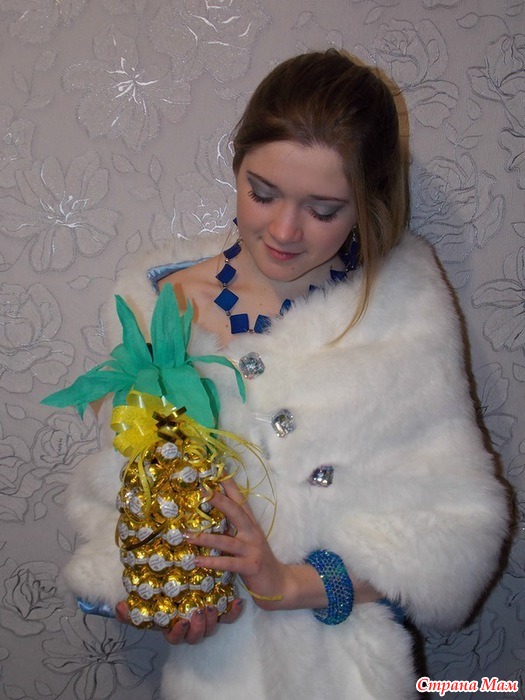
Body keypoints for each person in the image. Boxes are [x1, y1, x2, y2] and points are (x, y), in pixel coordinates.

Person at [63, 50, 509, 699]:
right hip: (212, 678)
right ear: (236, 166)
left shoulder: (402, 308)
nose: (283, 230)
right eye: (262, 192)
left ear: (367, 202)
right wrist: (146, 590)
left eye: (323, 209)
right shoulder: (155, 308)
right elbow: (121, 494)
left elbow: (453, 534)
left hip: (350, 676)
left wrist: (292, 583)